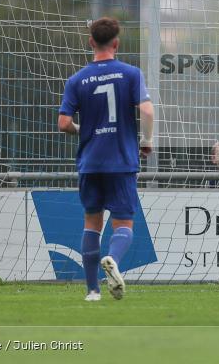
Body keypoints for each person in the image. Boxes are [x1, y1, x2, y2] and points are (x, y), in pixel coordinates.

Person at [58, 17, 155, 301]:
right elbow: (147, 111)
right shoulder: (131, 73)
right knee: (123, 223)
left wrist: (83, 129)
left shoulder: (77, 80)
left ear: (91, 42)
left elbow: (63, 123)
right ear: (116, 43)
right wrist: (146, 141)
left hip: (90, 161)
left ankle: (92, 291)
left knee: (92, 223)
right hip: (121, 160)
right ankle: (113, 259)